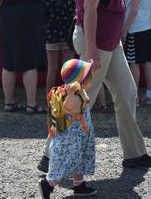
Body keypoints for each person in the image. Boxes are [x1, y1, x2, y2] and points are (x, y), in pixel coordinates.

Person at [38, 0, 151, 172]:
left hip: (107, 41)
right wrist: (91, 53)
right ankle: (50, 155)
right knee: (79, 102)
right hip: (98, 43)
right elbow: (90, 9)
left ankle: (134, 153)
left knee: (126, 93)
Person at [39, 59, 97, 198]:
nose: (92, 77)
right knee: (66, 162)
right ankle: (48, 184)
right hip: (71, 140)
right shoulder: (74, 97)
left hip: (79, 137)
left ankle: (79, 184)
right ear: (79, 81)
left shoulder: (80, 91)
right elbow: (67, 107)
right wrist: (71, 95)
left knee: (80, 159)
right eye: (89, 75)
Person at [122, 0, 151, 106]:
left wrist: (125, 30)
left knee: (134, 63)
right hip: (147, 29)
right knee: (147, 62)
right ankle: (150, 94)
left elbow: (133, 11)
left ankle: (134, 98)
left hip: (135, 31)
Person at [43, 0, 76, 92]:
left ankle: (49, 97)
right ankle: (69, 96)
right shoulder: (71, 0)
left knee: (52, 69)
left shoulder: (46, 0)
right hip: (68, 37)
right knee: (68, 69)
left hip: (51, 36)